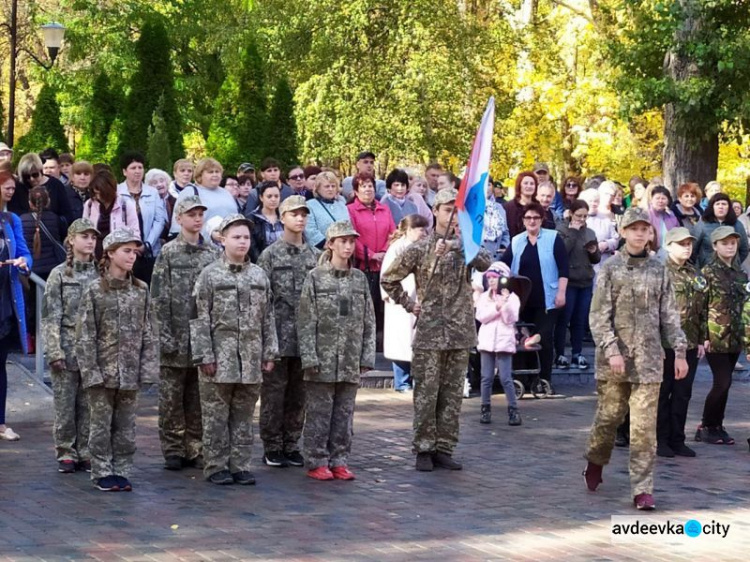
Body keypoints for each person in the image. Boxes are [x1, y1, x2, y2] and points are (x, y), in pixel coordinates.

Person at [583, 207, 687, 511]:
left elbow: (670, 315)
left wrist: (679, 352)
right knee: (609, 419)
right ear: (624, 232)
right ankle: (595, 459)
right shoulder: (611, 269)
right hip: (615, 361)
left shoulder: (659, 269)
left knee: (643, 429)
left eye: (645, 229)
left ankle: (642, 489)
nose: (640, 233)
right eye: (634, 228)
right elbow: (599, 316)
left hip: (650, 362)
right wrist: (612, 350)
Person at [382, 188, 491, 472]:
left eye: (456, 210)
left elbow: (487, 262)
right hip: (430, 333)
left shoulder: (467, 245)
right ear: (435, 211)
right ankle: (423, 448)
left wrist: (460, 246)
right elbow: (389, 279)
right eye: (446, 210)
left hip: (459, 332)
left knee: (452, 395)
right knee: (427, 394)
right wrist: (409, 304)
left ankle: (444, 447)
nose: (452, 216)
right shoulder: (420, 247)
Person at [191, 214, 278, 485]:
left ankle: (240, 464)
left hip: (251, 357)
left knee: (243, 415)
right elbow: (198, 317)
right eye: (236, 237)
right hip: (220, 356)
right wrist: (204, 354)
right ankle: (216, 465)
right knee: (216, 415)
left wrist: (269, 352)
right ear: (223, 239)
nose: (242, 242)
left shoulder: (259, 275)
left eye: (246, 237)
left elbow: (268, 316)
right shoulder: (209, 275)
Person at [75, 228, 159, 492]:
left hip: (130, 371)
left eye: (135, 251)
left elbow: (149, 331)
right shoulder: (94, 291)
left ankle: (122, 469)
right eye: (126, 251)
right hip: (103, 371)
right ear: (110, 254)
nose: (132, 256)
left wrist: (147, 370)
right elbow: (85, 335)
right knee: (100, 424)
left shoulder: (140, 290)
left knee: (125, 425)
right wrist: (91, 372)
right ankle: (101, 471)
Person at [298, 221, 376, 480]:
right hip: (322, 356)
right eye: (342, 241)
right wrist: (309, 356)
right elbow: (306, 320)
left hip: (350, 356)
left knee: (344, 414)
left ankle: (339, 459)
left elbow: (368, 319)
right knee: (320, 413)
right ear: (330, 244)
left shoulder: (359, 279)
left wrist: (366, 355)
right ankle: (316, 460)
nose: (348, 246)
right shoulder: (315, 277)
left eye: (352, 241)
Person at [151, 196, 219, 471]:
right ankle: (173, 448)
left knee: (198, 399)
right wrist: (164, 335)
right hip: (175, 337)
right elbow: (158, 297)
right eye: (191, 214)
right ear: (179, 218)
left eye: (200, 213)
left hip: (202, 340)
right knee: (171, 399)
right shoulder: (168, 253)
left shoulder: (212, 254)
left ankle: (196, 447)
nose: (197, 218)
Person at [256, 196, 319, 468]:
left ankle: (292, 443)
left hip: (305, 338)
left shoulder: (315, 256)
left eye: (304, 214)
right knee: (273, 394)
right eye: (294, 214)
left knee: (299, 394)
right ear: (282, 217)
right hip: (278, 335)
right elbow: (261, 299)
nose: (300, 219)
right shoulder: (270, 255)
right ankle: (272, 446)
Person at [42, 218, 100, 473]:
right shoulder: (59, 274)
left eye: (93, 237)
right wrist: (54, 351)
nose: (89, 241)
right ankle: (66, 450)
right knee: (66, 405)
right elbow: (50, 315)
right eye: (84, 236)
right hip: (66, 345)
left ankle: (86, 450)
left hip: (93, 349)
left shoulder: (101, 272)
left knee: (89, 405)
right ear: (71, 240)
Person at [501, 202, 569, 390]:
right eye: (528, 218)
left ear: (542, 220)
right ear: (523, 220)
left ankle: (543, 379)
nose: (532, 221)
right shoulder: (516, 241)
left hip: (548, 298)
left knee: (543, 339)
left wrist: (561, 292)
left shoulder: (553, 238)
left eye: (536, 218)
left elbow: (564, 267)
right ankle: (523, 378)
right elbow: (503, 265)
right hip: (522, 300)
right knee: (522, 338)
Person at [694, 226, 750, 446]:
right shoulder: (707, 273)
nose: (730, 247)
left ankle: (717, 425)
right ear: (715, 246)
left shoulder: (741, 274)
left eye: (733, 243)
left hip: (735, 336)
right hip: (715, 337)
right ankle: (706, 425)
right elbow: (700, 306)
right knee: (722, 382)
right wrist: (703, 336)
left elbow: (746, 308)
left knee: (725, 385)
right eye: (725, 243)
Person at [655, 228, 706, 458]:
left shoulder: (694, 273)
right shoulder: (659, 272)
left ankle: (678, 439)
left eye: (689, 243)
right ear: (668, 246)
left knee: (683, 393)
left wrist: (703, 338)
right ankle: (661, 439)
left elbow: (702, 308)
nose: (686, 247)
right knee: (663, 391)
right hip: (665, 343)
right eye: (681, 243)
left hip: (690, 343)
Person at [0, 169, 32, 442]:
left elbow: (24, 251)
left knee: (1, 364)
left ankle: (0, 423)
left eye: (12, 188)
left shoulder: (11, 219)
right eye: (6, 187)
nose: (10, 192)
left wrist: (24, 263)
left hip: (4, 300)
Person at [381, 214, 429, 393]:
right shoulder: (397, 248)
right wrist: (396, 298)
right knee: (400, 343)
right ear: (409, 230)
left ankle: (417, 381)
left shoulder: (425, 248)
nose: (424, 233)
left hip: (419, 300)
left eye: (425, 229)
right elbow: (386, 276)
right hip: (400, 303)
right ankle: (402, 382)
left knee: (417, 343)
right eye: (420, 229)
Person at [554, 200, 600, 370]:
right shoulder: (561, 229)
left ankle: (577, 353)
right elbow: (562, 252)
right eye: (578, 215)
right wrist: (572, 232)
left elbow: (596, 259)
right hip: (569, 280)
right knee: (564, 318)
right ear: (571, 213)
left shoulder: (590, 232)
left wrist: (594, 252)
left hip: (585, 280)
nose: (581, 219)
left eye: (584, 216)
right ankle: (559, 353)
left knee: (580, 319)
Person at [347, 172, 395, 334]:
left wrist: (383, 252)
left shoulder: (384, 209)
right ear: (355, 191)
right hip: (363, 267)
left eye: (370, 186)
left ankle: (382, 339)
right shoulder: (351, 210)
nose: (367, 189)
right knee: (365, 306)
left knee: (384, 307)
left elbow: (392, 233)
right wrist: (371, 255)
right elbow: (352, 236)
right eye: (363, 186)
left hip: (384, 266)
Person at [475, 262, 522, 426]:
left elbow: (510, 319)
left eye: (495, 278)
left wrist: (505, 305)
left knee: (505, 378)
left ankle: (513, 410)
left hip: (503, 341)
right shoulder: (484, 297)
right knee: (486, 377)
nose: (491, 281)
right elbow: (481, 317)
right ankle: (485, 408)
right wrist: (496, 307)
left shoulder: (513, 298)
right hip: (487, 341)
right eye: (489, 278)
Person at [117, 152, 168, 282]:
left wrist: (147, 244)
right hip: (126, 249)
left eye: (140, 167)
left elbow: (159, 220)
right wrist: (131, 245)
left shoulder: (152, 192)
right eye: (133, 168)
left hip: (150, 252)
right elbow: (117, 221)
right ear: (124, 171)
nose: (137, 171)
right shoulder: (117, 192)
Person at [170, 158, 238, 242]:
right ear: (200, 175)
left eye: (217, 172)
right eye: (210, 172)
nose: (215, 175)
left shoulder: (226, 193)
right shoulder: (190, 192)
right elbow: (177, 223)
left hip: (228, 246)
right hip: (200, 246)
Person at [83, 170, 140, 259]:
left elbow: (135, 232)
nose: (97, 197)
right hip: (95, 254)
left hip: (118, 255)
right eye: (95, 193)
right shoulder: (89, 204)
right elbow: (85, 230)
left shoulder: (126, 204)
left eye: (100, 193)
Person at [10, 153, 75, 226]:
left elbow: (67, 215)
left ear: (41, 171)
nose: (31, 179)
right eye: (27, 176)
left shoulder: (56, 185)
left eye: (35, 175)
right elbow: (13, 213)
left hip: (52, 230)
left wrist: (52, 221)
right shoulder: (19, 187)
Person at [693, 193, 750, 268]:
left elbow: (744, 249)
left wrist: (735, 263)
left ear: (729, 207)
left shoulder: (737, 224)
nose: (721, 207)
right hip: (707, 269)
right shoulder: (703, 224)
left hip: (731, 269)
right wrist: (698, 268)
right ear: (712, 207)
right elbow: (693, 248)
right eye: (717, 204)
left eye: (724, 204)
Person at [305, 171, 350, 249]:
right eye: (327, 186)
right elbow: (310, 230)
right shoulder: (310, 205)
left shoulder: (342, 205)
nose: (330, 189)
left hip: (344, 251)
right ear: (318, 188)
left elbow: (349, 226)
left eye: (333, 186)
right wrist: (328, 245)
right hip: (321, 252)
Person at [578, 188, 619, 268]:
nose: (594, 203)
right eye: (590, 201)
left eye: (596, 201)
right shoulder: (577, 219)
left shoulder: (605, 219)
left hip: (602, 264)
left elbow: (616, 239)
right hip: (583, 265)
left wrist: (607, 244)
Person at [248, 181, 285, 262]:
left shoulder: (285, 217)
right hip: (261, 262)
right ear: (261, 197)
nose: (273, 199)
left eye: (276, 196)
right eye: (269, 196)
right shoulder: (251, 218)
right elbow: (252, 247)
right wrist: (261, 262)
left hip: (285, 262)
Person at [482, 182, 510, 261]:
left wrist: (504, 246)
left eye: (488, 185)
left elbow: (505, 232)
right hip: (477, 258)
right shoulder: (471, 207)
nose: (486, 188)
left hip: (495, 258)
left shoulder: (499, 207)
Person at [504, 172, 538, 238]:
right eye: (525, 183)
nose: (529, 186)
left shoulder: (539, 208)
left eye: (532, 184)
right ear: (519, 185)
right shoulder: (508, 208)